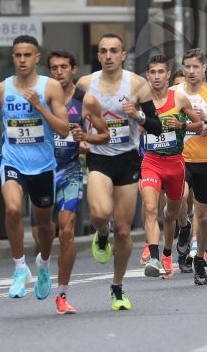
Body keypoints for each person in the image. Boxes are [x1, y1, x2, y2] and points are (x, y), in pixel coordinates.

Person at [76, 33, 165, 311]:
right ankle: (102, 233)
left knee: (124, 232)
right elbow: (73, 116)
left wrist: (137, 115)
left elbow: (157, 126)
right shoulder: (85, 84)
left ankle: (117, 288)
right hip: (99, 158)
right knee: (100, 214)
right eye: (103, 51)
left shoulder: (137, 84)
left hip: (127, 160)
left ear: (123, 55)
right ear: (98, 55)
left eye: (114, 51)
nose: (108, 56)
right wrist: (79, 136)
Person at [0, 35, 70, 302]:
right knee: (14, 209)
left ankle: (43, 264)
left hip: (42, 165)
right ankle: (19, 267)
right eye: (17, 55)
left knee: (43, 225)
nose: (21, 60)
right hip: (12, 160)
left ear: (37, 57)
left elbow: (64, 129)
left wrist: (39, 106)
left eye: (27, 55)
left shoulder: (51, 87)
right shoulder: (2, 88)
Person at [45, 49, 110, 314]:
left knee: (67, 232)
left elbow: (104, 134)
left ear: (73, 70)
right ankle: (41, 264)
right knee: (43, 233)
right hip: (41, 171)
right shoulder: (42, 98)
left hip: (70, 171)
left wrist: (87, 140)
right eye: (53, 68)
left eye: (63, 67)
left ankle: (62, 294)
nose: (58, 72)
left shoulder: (86, 101)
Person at [139, 55, 202, 279]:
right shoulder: (141, 101)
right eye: (152, 72)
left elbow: (200, 126)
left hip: (175, 164)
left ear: (168, 75)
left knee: (171, 214)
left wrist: (182, 124)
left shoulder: (180, 99)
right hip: (151, 162)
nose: (157, 76)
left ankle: (168, 251)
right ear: (148, 75)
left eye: (161, 72)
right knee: (150, 207)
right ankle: (156, 257)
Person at [175, 48, 207, 285]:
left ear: (204, 68)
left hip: (205, 160)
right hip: (179, 158)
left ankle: (200, 259)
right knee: (179, 199)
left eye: (196, 66)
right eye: (187, 67)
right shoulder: (175, 93)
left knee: (204, 218)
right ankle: (183, 226)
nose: (191, 71)